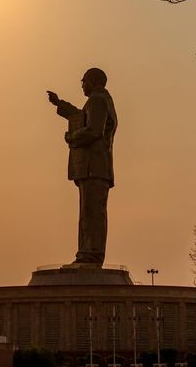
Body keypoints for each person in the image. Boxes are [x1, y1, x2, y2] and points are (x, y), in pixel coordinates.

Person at [47, 68, 117, 265]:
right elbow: (81, 117)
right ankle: (87, 252)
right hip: (94, 168)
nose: (82, 85)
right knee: (89, 212)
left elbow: (94, 130)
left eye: (83, 81)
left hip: (94, 167)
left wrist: (72, 137)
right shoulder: (100, 100)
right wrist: (60, 105)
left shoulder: (97, 100)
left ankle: (91, 255)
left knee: (92, 213)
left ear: (93, 81)